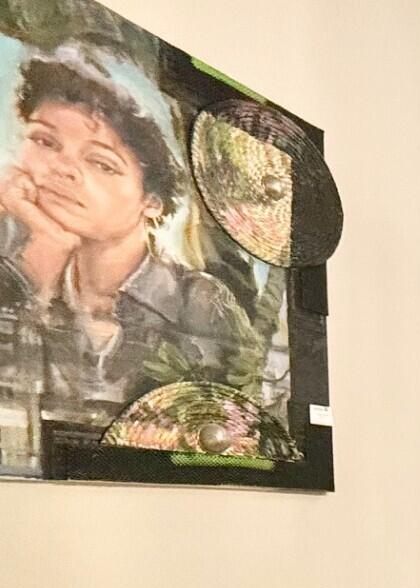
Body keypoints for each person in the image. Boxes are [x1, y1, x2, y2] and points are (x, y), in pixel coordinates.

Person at [0, 42, 258, 436]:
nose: (62, 169)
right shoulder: (12, 265)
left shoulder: (199, 305)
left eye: (102, 163)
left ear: (152, 200)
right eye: (45, 141)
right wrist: (29, 274)